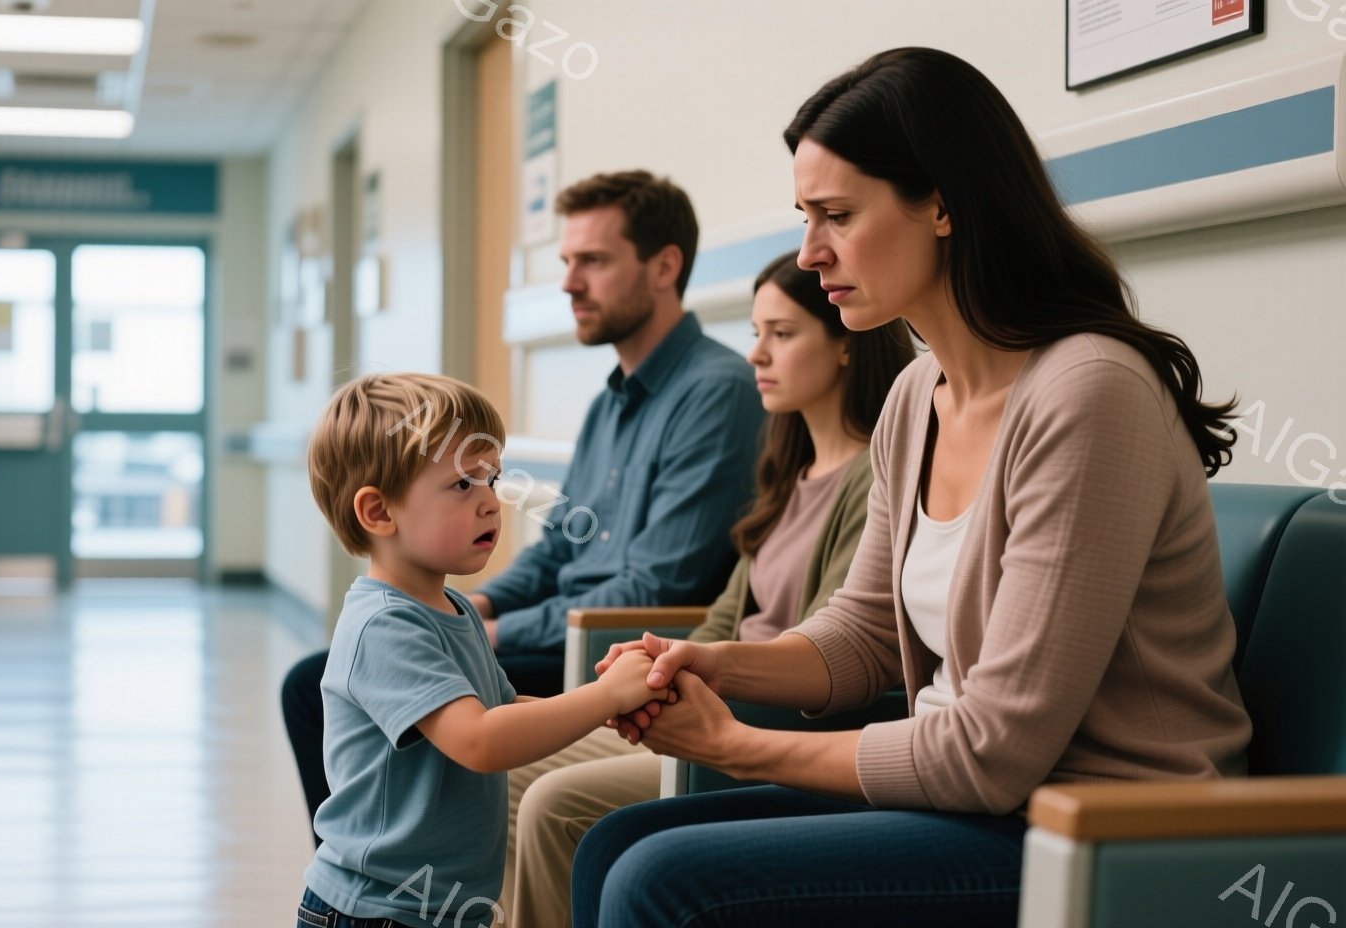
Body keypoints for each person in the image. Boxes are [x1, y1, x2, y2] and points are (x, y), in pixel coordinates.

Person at [573, 47, 1253, 928]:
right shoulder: (913, 395)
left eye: (838, 216)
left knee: (660, 879)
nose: (811, 252)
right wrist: (714, 662)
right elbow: (863, 635)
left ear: (942, 204)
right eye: (806, 217)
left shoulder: (1089, 392)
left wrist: (735, 745)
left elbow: (992, 752)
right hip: (988, 806)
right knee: (611, 845)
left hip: (1104, 826)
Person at [282, 170, 763, 844]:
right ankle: (378, 863)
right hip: (555, 629)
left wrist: (497, 631)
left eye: (592, 261)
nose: (568, 283)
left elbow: (660, 583)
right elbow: (561, 545)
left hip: (605, 641)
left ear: (664, 267)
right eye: (566, 262)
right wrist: (475, 607)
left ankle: (385, 864)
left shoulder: (718, 392)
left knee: (313, 683)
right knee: (323, 679)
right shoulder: (610, 402)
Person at [499, 252, 914, 928]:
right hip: (712, 696)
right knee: (501, 767)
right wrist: (654, 675)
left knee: (549, 800)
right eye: (756, 333)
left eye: (782, 334)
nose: (756, 355)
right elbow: (721, 623)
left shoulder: (871, 478)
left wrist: (672, 689)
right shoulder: (789, 471)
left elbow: (832, 649)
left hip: (759, 720)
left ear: (845, 343)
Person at [297, 372, 674, 928]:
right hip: (375, 911)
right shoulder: (384, 627)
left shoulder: (454, 607)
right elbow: (479, 740)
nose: (491, 504)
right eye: (463, 485)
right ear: (378, 512)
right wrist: (603, 696)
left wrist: (604, 711)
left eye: (492, 480)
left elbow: (503, 710)